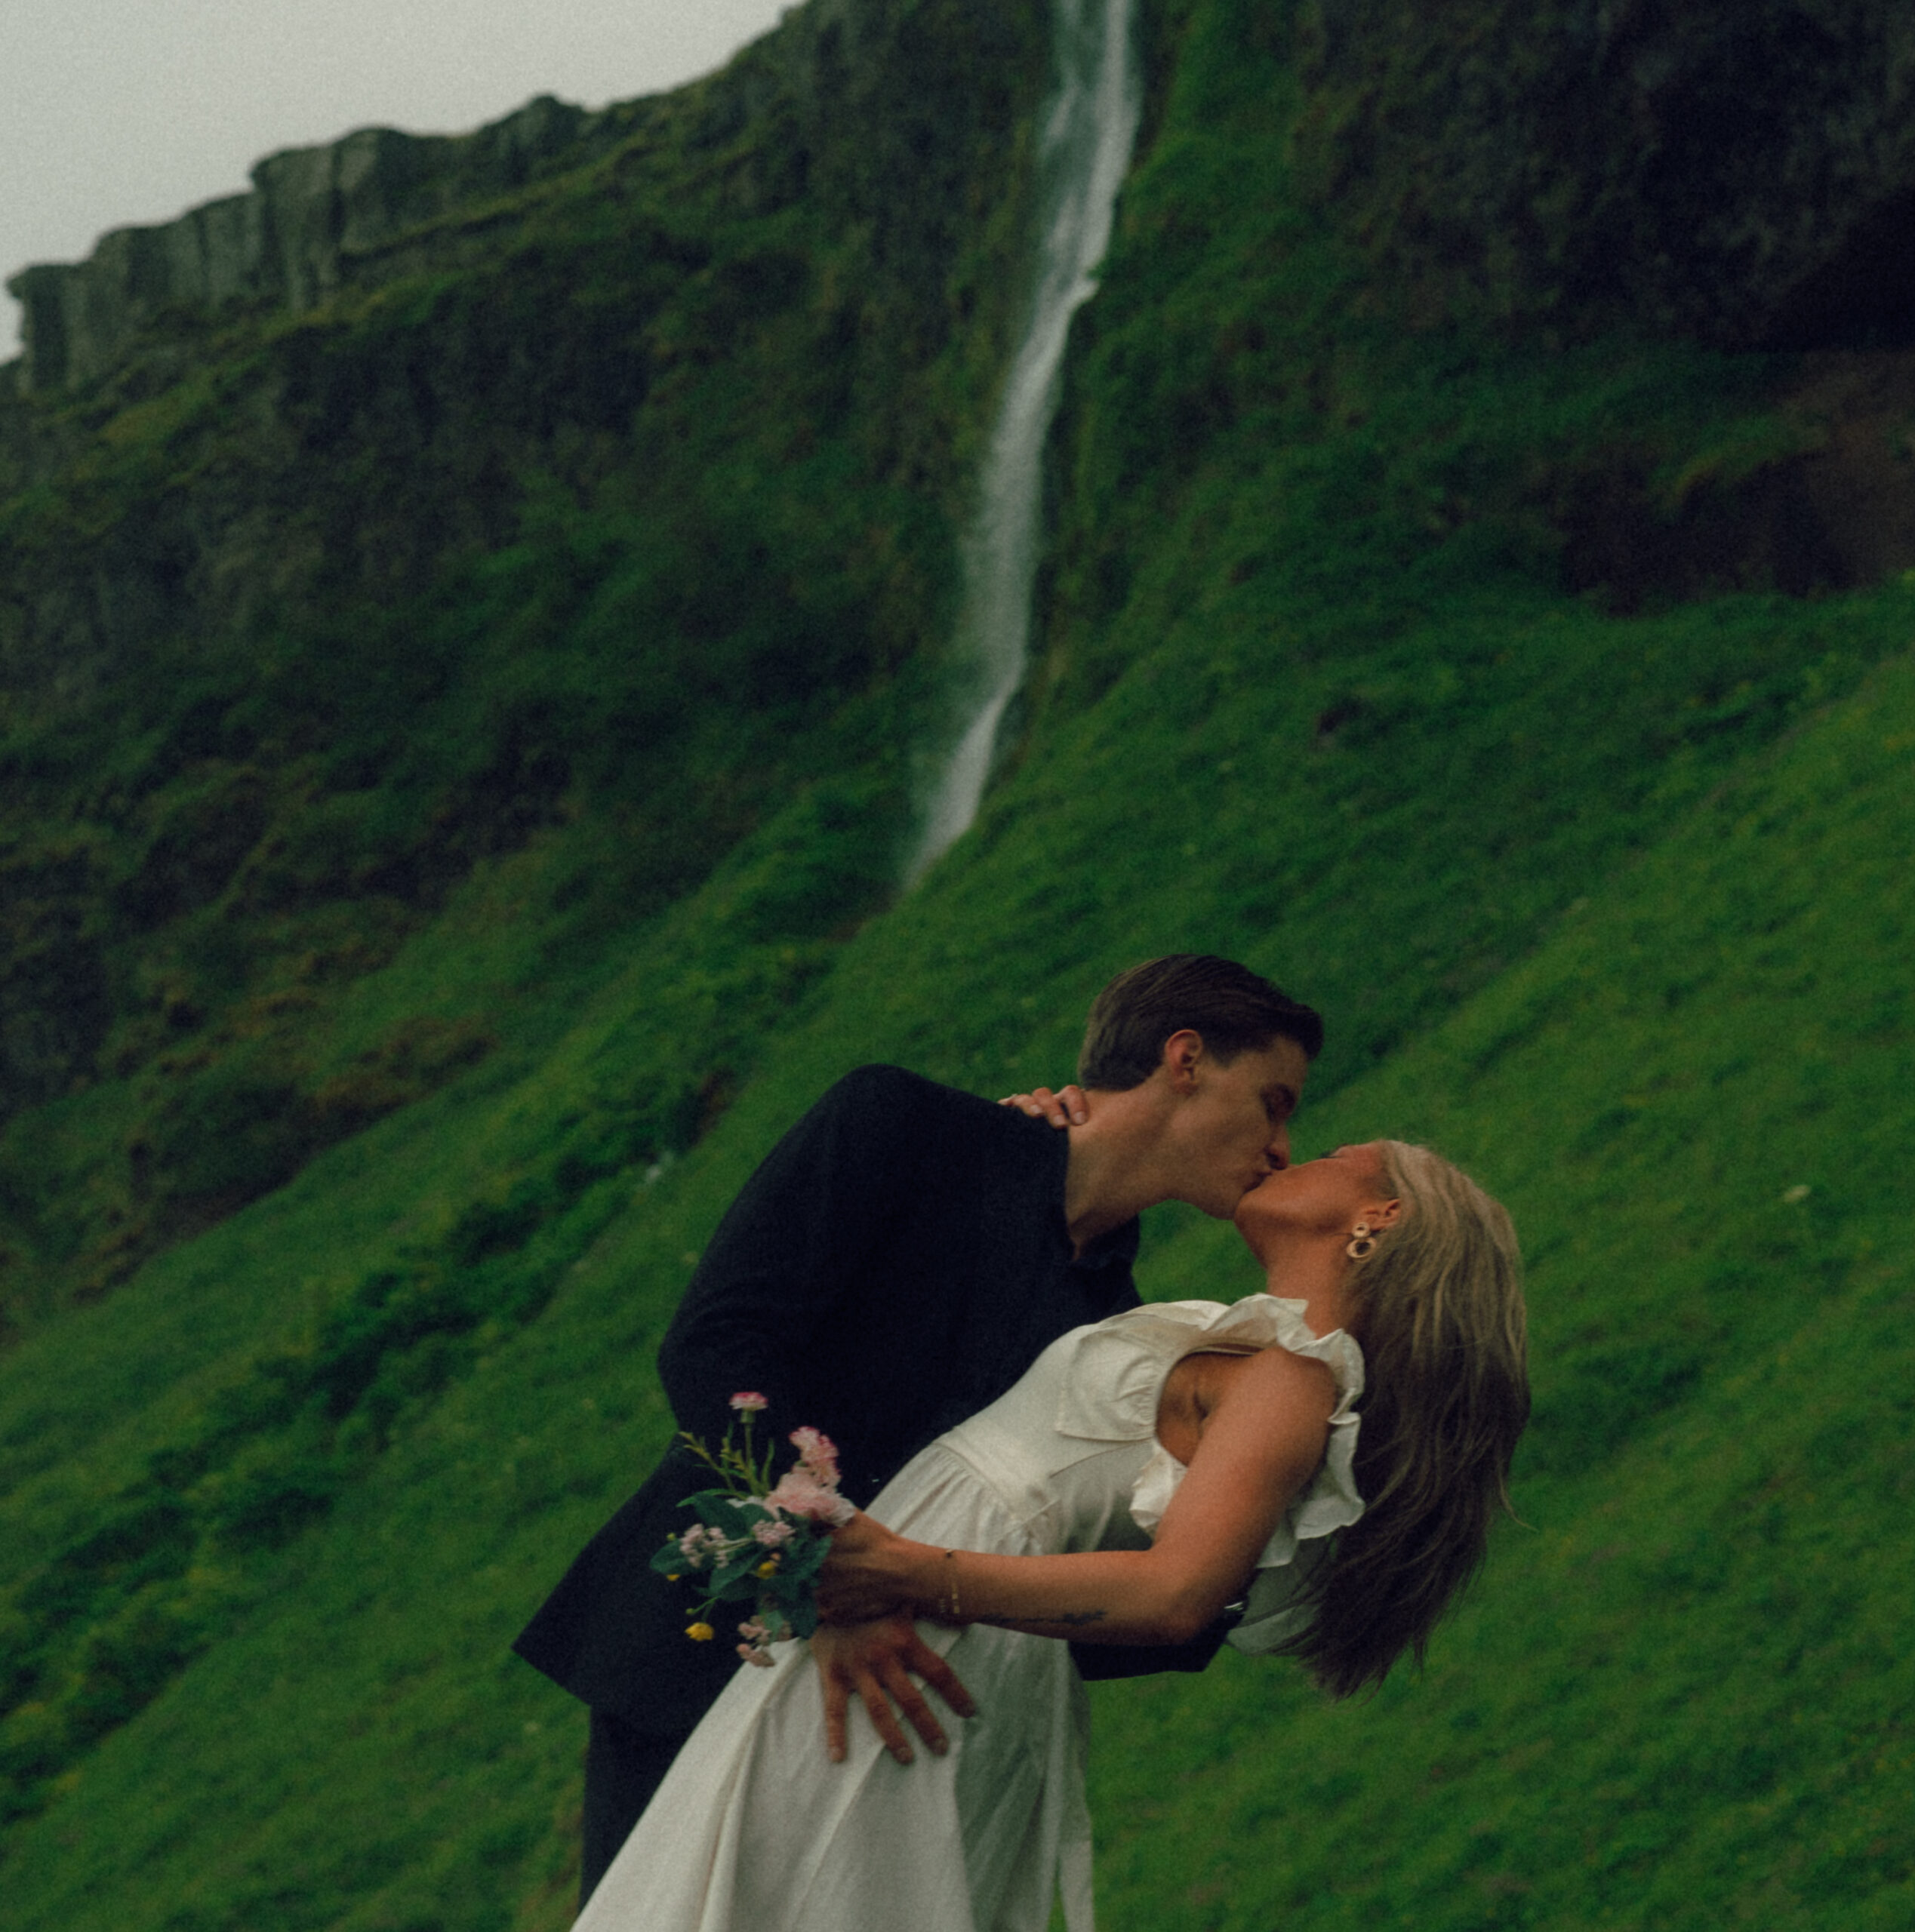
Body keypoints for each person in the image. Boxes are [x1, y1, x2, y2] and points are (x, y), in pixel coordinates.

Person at [512, 955, 1326, 1904]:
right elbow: (716, 1347)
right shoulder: (903, 1127)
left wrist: (1251, 1547)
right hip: (700, 1653)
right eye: (1271, 1104)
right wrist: (821, 1576)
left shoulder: (1112, 1335)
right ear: (1183, 1059)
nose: (1281, 1148)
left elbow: (1070, 1612)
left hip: (875, 1742)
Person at [571, 1137, 1529, 1932]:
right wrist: (1041, 1144)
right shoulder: (1241, 1343)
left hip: (920, 1638)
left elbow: (1176, 1595)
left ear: (1379, 1215)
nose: (1290, 1152)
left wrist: (904, 1571)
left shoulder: (1295, 1379)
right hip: (916, 1632)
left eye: (1333, 1154)